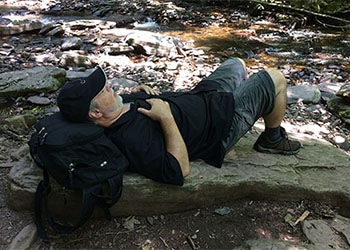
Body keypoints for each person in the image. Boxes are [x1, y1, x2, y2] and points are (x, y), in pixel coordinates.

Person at [57, 58, 301, 186]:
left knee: (236, 63)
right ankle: (271, 138)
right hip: (219, 126)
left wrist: (142, 92)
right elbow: (180, 170)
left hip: (204, 97)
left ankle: (254, 102)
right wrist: (166, 117)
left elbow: (136, 101)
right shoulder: (129, 138)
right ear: (95, 114)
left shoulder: (117, 105)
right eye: (103, 90)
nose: (109, 86)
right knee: (275, 78)